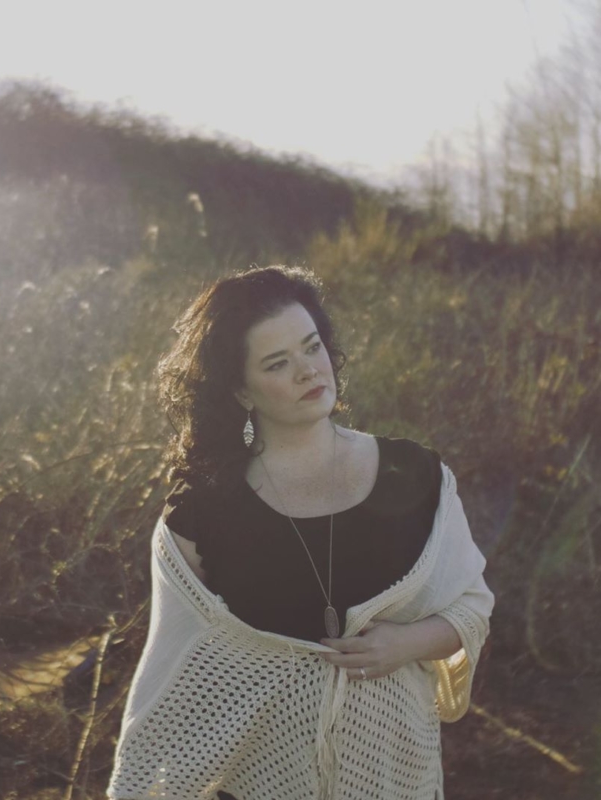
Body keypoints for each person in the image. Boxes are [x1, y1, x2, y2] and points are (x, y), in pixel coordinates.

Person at [107, 265, 494, 800]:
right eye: (278, 363)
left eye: (312, 347)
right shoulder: (202, 512)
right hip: (255, 782)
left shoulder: (414, 473)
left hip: (390, 774)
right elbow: (175, 674)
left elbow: (471, 606)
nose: (309, 370)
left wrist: (405, 645)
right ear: (241, 390)